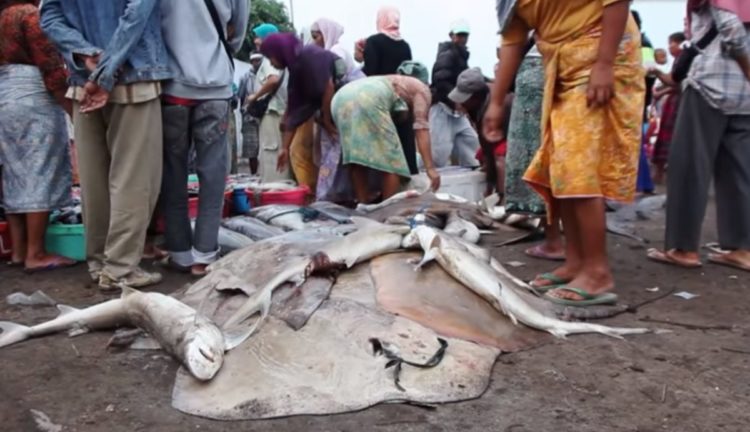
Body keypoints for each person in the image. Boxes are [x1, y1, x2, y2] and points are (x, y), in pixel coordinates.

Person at [484, 0, 646, 305]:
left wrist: (604, 64)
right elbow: (512, 41)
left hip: (602, 53)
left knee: (577, 166)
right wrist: (495, 102)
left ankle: (597, 271)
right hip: (559, 67)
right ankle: (575, 261)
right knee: (559, 168)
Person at [41, 0, 172, 292]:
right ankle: (121, 269)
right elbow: (136, 14)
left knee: (94, 181)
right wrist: (107, 69)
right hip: (132, 76)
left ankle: (100, 262)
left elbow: (49, 16)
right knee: (134, 179)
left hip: (82, 81)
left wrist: (87, 54)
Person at [647, 0, 750, 272]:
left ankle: (683, 248)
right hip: (744, 94)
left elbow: (729, 27)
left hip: (711, 83)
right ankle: (741, 248)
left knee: (690, 166)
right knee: (739, 170)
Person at [159, 0, 248, 277]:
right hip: (215, 84)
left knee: (173, 173)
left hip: (172, 85)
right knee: (213, 174)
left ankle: (180, 253)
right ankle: (205, 255)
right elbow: (238, 30)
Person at [0, 0, 74, 272]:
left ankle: (19, 251)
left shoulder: (3, 17)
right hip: (33, 98)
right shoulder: (30, 16)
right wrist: (71, 108)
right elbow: (51, 69)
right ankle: (36, 252)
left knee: (15, 174)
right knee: (40, 170)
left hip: (5, 97)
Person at [487, 42, 567, 263]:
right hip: (569, 68)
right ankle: (564, 240)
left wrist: (496, 102)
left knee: (539, 156)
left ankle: (554, 241)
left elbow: (512, 42)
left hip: (539, 70)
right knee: (561, 157)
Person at [260, 33, 349, 202]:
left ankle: (339, 200)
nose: (271, 62)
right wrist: (284, 148)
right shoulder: (296, 68)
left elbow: (328, 86)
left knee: (339, 157)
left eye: (270, 57)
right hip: (332, 110)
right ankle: (331, 199)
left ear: (279, 51)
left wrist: (328, 121)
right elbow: (295, 109)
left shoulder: (309, 56)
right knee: (329, 158)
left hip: (344, 105)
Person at [332, 71, 441, 203]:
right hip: (369, 98)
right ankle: (387, 206)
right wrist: (430, 168)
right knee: (393, 162)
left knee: (357, 156)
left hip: (340, 98)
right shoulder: (423, 91)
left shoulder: (393, 81)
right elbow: (421, 128)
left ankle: (363, 204)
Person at [430, 19, 480, 168]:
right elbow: (440, 81)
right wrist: (455, 101)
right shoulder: (448, 54)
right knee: (439, 155)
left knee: (471, 142)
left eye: (464, 35)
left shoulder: (461, 56)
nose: (462, 38)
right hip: (442, 108)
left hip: (455, 111)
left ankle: (474, 176)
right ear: (451, 35)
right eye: (459, 35)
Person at [247, 24, 291, 183]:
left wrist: (254, 96)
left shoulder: (268, 59)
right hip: (279, 112)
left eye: (258, 37)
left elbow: (273, 80)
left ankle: (275, 193)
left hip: (272, 113)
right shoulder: (281, 57)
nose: (255, 41)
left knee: (271, 154)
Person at [649, 32, 686, 185]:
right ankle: (660, 174)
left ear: (679, 44)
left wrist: (656, 72)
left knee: (670, 138)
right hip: (675, 101)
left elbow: (676, 83)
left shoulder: (684, 59)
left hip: (678, 102)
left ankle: (660, 175)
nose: (669, 47)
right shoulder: (679, 60)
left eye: (671, 43)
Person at [362, 7, 412, 77]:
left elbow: (370, 71)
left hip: (379, 86)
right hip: (399, 87)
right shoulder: (405, 46)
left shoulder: (373, 41)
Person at [239, 53, 264, 174]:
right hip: (249, 117)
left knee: (266, 148)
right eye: (254, 61)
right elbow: (241, 96)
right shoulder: (245, 78)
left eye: (258, 60)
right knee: (251, 149)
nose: (256, 63)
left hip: (264, 116)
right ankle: (253, 174)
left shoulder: (266, 76)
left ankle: (264, 173)